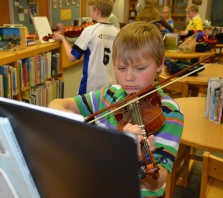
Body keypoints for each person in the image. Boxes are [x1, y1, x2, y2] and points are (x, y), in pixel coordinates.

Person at [49, 21, 184, 197]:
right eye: (121, 68)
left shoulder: (169, 113)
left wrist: (139, 159)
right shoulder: (110, 94)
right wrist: (62, 112)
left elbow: (156, 182)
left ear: (159, 64)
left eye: (140, 68)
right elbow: (60, 103)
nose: (128, 78)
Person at [53, 0, 119, 95]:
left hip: (90, 89)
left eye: (90, 10)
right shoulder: (117, 32)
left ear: (97, 11)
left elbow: (72, 57)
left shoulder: (90, 31)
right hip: (111, 88)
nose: (89, 12)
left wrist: (63, 39)